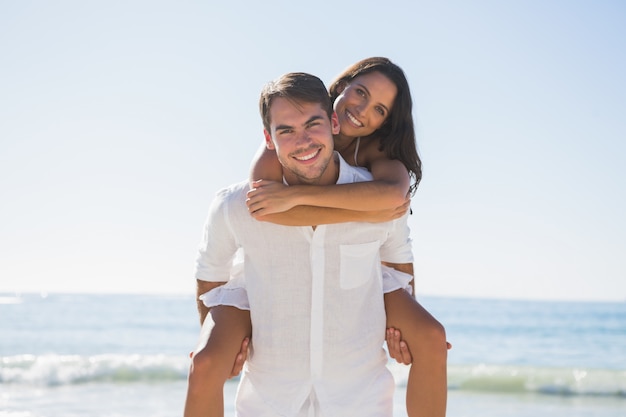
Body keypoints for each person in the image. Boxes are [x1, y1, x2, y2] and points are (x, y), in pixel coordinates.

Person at [185, 72, 418, 416]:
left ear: (333, 122)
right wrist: (223, 344)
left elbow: (400, 261)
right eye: (286, 131)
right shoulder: (234, 205)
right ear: (268, 137)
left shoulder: (379, 200)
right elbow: (210, 272)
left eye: (313, 124)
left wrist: (405, 327)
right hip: (268, 401)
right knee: (201, 365)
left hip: (360, 400)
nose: (304, 141)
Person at [249, 57, 448, 416]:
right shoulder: (293, 129)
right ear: (341, 86)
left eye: (379, 110)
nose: (363, 111)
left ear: (387, 122)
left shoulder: (378, 155)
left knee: (431, 338)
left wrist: (403, 319)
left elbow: (394, 214)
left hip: (365, 267)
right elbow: (267, 209)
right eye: (361, 93)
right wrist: (364, 208)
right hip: (290, 263)